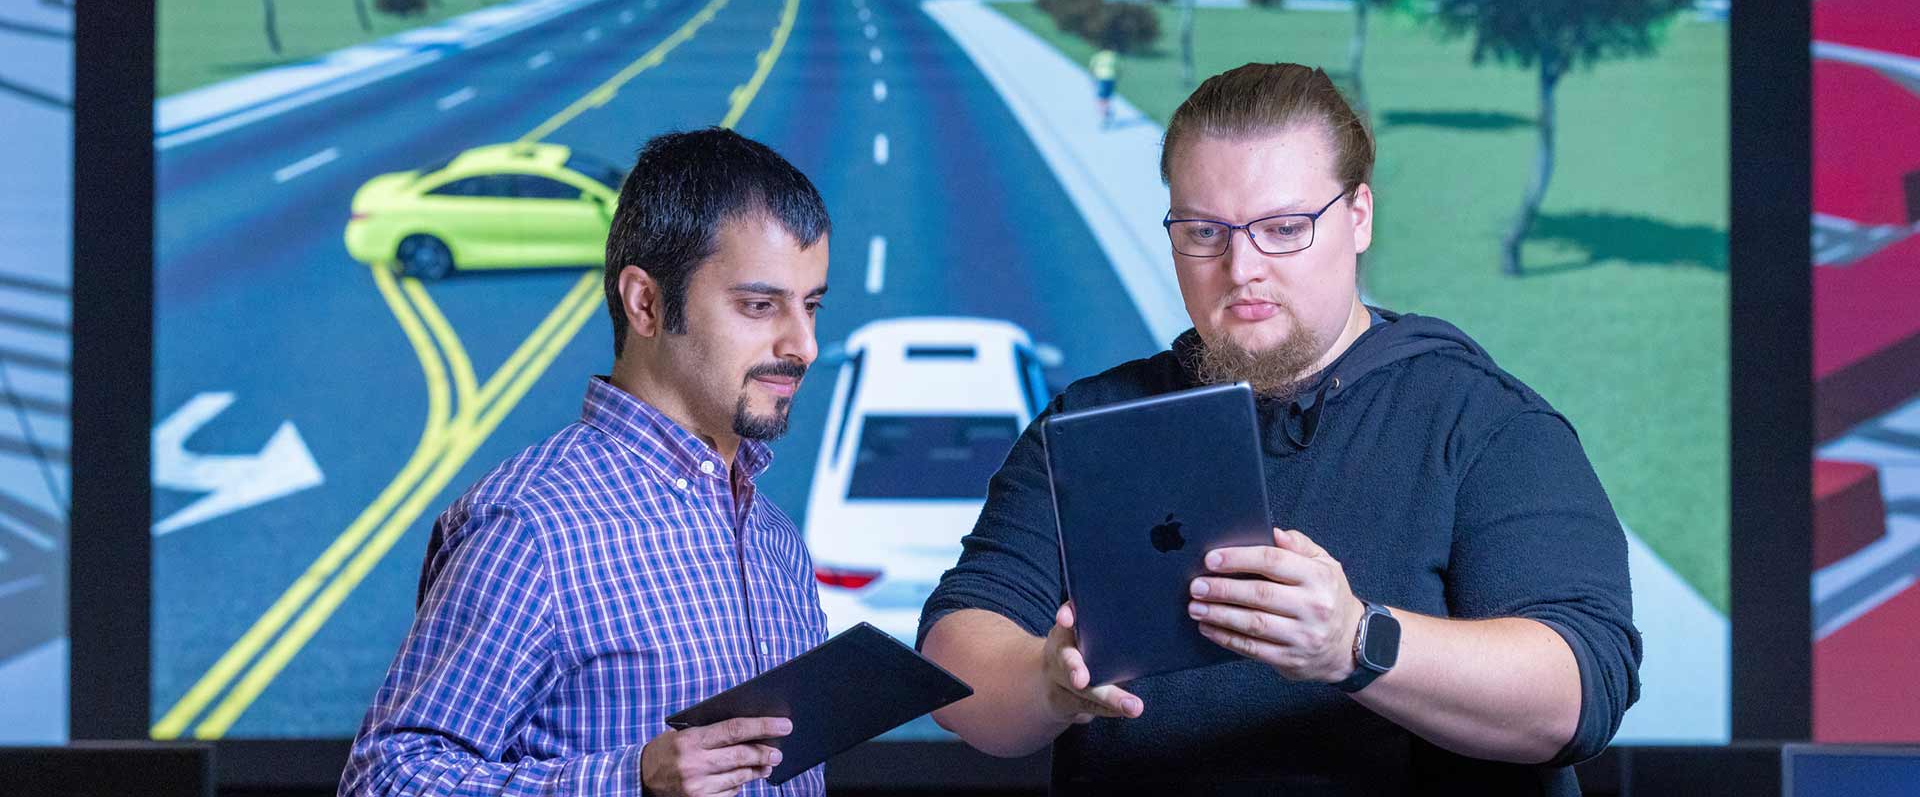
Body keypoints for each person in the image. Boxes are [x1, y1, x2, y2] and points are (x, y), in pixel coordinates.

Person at [918, 63, 1641, 795]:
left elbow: (1581, 687)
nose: (1241, 267)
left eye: (1283, 229)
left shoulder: (1486, 422)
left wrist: (1354, 641)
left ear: (1359, 216)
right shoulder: (1094, 421)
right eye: (1204, 232)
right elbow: (956, 648)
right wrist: (1047, 683)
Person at [340, 127, 834, 797]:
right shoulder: (531, 527)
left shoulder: (776, 541)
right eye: (759, 305)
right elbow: (385, 781)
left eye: (810, 306)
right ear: (647, 303)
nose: (802, 344)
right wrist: (631, 779)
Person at [1090, 46, 1120, 129]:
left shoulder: (1098, 56)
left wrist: (1093, 80)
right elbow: (1118, 68)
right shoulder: (1112, 56)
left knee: (1101, 98)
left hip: (1101, 78)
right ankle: (1107, 111)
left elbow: (1092, 68)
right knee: (1107, 97)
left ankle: (1105, 116)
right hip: (1111, 78)